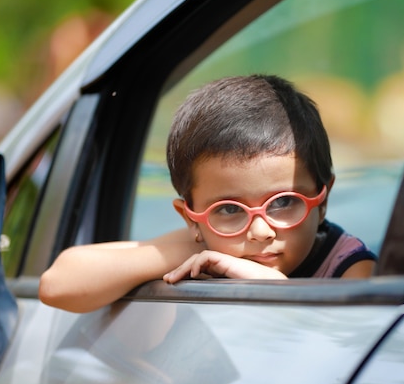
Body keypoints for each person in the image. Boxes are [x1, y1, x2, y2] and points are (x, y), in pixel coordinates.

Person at [39, 74, 376, 313]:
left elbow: (355, 347)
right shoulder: (211, 242)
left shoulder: (350, 268)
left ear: (323, 200)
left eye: (285, 202)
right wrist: (184, 252)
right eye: (229, 209)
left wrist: (278, 293)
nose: (260, 231)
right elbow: (57, 284)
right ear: (191, 218)